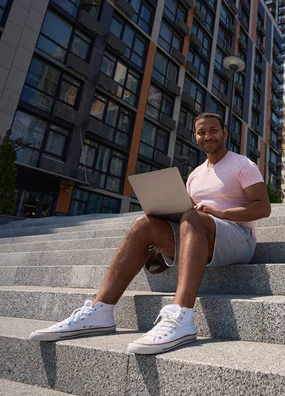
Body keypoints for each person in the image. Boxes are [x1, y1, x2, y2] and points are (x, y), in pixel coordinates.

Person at [28, 112, 271, 355]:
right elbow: (188, 212)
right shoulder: (195, 175)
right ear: (195, 136)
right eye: (202, 132)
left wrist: (220, 212)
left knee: (192, 217)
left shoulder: (242, 164)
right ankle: (100, 310)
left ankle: (182, 317)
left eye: (214, 130)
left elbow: (263, 207)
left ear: (224, 133)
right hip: (199, 231)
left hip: (239, 239)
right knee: (143, 224)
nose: (208, 136)